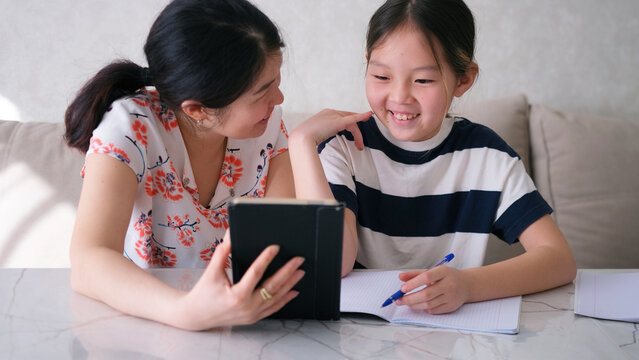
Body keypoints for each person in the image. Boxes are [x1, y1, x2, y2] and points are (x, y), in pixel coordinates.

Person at [289, 0, 577, 314]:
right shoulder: (344, 147)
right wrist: (302, 142)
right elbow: (332, 262)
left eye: (423, 80)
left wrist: (468, 286)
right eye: (382, 77)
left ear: (464, 79)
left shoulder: (486, 156)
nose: (399, 97)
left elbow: (558, 259)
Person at [64, 0, 305, 330]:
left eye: (276, 82)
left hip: (245, 323)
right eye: (262, 91)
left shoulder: (267, 127)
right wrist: (185, 312)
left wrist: (304, 143)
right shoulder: (129, 128)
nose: (279, 100)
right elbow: (89, 259)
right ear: (198, 110)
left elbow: (280, 249)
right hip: (149, 324)